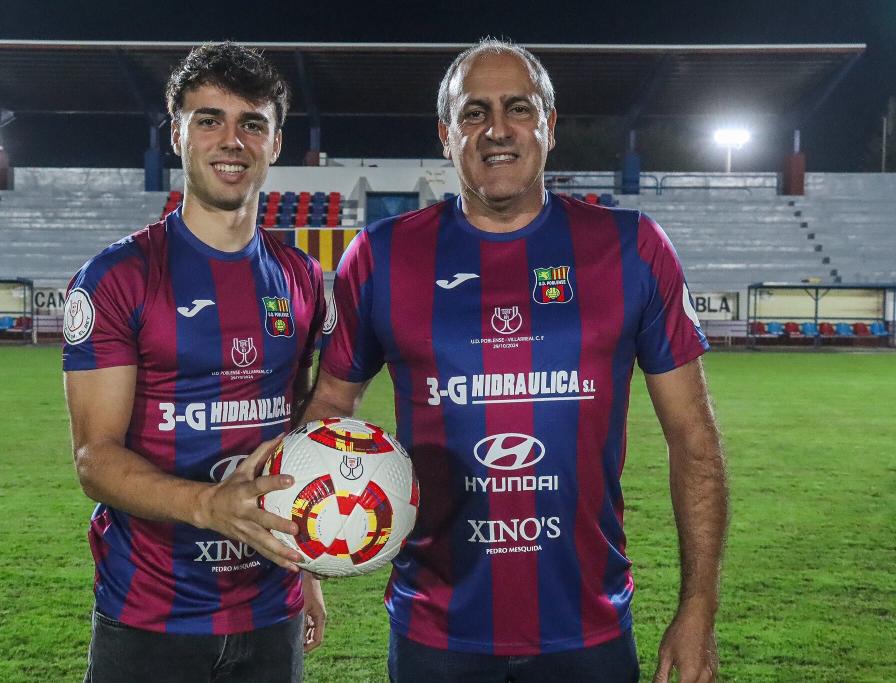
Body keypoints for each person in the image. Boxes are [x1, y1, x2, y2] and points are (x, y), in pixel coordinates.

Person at [302, 39, 728, 682]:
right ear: (446, 135)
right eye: (473, 113)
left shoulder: (632, 247)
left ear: (550, 127)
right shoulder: (381, 255)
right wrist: (305, 560)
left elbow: (693, 440)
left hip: (589, 626)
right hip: (434, 629)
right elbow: (329, 411)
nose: (496, 129)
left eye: (518, 108)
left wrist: (698, 606)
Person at [62, 42, 327, 683]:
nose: (231, 140)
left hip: (271, 609)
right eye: (209, 119)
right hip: (150, 614)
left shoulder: (302, 280)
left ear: (276, 141)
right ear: (178, 133)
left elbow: (299, 437)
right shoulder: (117, 278)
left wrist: (310, 569)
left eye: (251, 123)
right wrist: (210, 505)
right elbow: (95, 460)